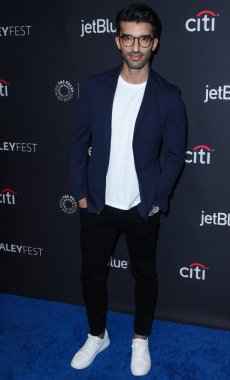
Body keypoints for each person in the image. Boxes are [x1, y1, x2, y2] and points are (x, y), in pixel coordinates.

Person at [70, 3, 187, 376]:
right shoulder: (95, 86)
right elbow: (77, 144)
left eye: (143, 38)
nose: (135, 47)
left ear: (154, 42)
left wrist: (158, 198)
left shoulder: (168, 96)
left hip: (141, 207)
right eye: (128, 38)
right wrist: (81, 193)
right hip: (98, 205)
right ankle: (97, 335)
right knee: (91, 274)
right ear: (117, 40)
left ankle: (140, 339)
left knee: (144, 275)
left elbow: (174, 154)